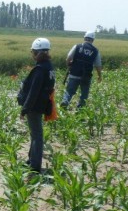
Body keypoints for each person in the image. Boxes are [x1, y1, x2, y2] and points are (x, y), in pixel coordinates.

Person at [18, 38, 56, 173]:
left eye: (33, 52)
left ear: (38, 53)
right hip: (41, 105)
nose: (32, 55)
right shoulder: (49, 66)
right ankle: (31, 160)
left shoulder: (40, 70)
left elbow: (33, 93)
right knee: (35, 135)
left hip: (34, 107)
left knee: (37, 136)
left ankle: (34, 166)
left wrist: (24, 109)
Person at [61, 31, 102, 109]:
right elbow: (98, 65)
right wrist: (99, 76)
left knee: (69, 91)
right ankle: (80, 110)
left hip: (74, 73)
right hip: (86, 76)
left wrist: (69, 65)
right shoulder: (96, 51)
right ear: (93, 40)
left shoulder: (77, 46)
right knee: (84, 94)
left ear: (84, 38)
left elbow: (69, 57)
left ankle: (65, 101)